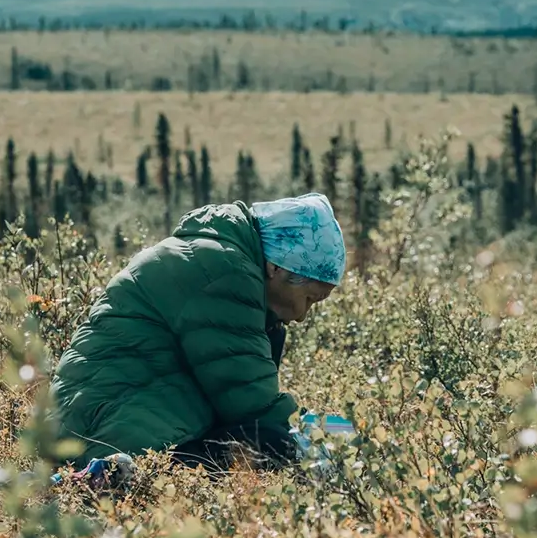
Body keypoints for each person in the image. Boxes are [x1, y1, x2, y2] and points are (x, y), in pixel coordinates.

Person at [50, 192, 345, 479]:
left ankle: (113, 473)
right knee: (272, 444)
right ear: (277, 267)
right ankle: (115, 474)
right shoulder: (224, 271)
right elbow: (249, 400)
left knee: (269, 437)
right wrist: (324, 441)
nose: (302, 315)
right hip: (104, 431)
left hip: (93, 422)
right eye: (310, 299)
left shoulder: (218, 255)